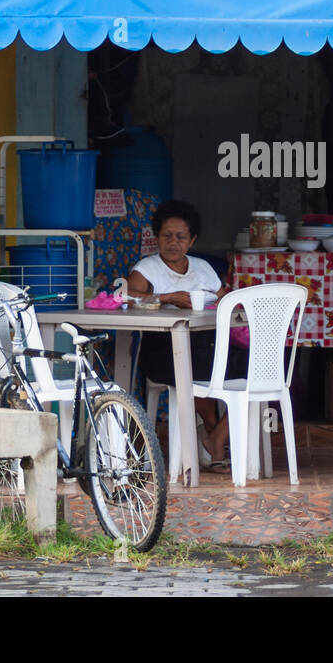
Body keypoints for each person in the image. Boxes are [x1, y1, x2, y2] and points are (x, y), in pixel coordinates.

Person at [127, 200, 246, 470]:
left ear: (191, 240)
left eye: (181, 237)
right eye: (166, 235)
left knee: (257, 367)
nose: (173, 242)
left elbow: (221, 296)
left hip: (206, 346)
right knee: (194, 366)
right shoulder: (147, 268)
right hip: (162, 352)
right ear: (157, 238)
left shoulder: (202, 268)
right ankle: (214, 430)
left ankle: (216, 436)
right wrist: (169, 298)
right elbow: (127, 296)